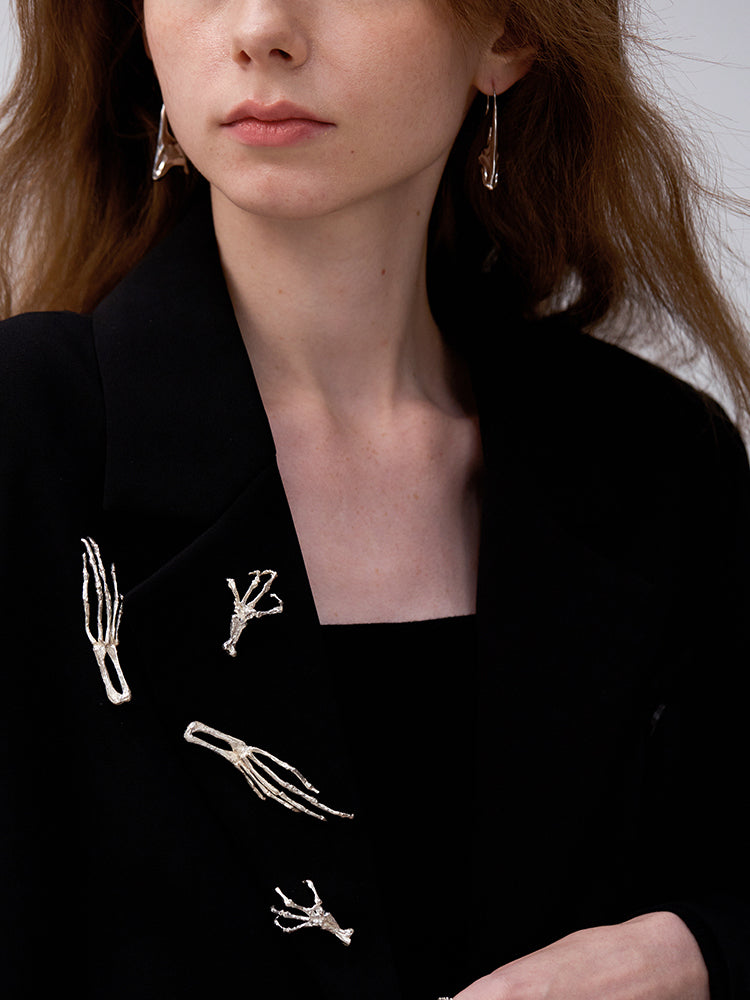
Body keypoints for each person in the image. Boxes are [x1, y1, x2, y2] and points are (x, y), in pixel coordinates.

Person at [1, 0, 748, 998]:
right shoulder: (22, 440)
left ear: (508, 37)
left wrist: (692, 954)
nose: (263, 27)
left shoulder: (658, 459)